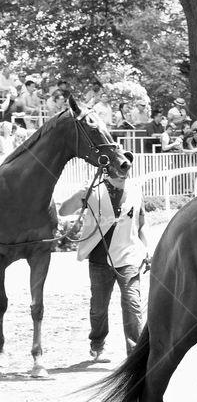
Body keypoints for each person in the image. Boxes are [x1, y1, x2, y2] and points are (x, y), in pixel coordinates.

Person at [59, 151, 150, 360]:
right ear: (108, 171)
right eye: (119, 175)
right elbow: (64, 210)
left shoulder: (135, 191)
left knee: (132, 303)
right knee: (99, 307)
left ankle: (135, 352)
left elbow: (142, 225)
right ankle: (97, 344)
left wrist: (147, 250)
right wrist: (82, 193)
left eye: (126, 174)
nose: (124, 178)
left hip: (129, 256)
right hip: (99, 258)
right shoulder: (93, 191)